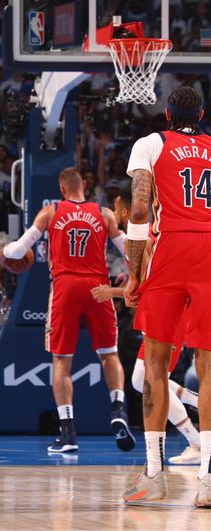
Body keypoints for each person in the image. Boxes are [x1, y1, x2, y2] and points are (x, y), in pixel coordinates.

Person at [0, 167, 132, 453]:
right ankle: (119, 409)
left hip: (65, 287)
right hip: (98, 287)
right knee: (109, 355)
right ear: (85, 185)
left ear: (62, 189)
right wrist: (132, 277)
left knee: (62, 362)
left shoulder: (50, 212)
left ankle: (68, 433)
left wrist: (4, 254)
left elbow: (18, 251)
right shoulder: (105, 213)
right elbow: (130, 253)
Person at [122, 87, 211, 506]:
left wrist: (134, 273)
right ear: (204, 115)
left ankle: (154, 474)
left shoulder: (151, 144)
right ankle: (208, 479)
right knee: (208, 368)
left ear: (168, 115)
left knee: (154, 363)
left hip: (171, 252)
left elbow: (140, 212)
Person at [92, 187, 201, 465]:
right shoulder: (147, 238)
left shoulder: (141, 241)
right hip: (168, 312)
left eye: (116, 210)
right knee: (146, 379)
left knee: (145, 379)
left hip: (171, 314)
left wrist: (110, 292)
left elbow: (147, 288)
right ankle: (196, 424)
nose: (114, 215)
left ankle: (195, 438)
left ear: (126, 213)